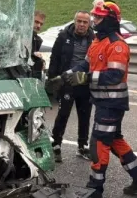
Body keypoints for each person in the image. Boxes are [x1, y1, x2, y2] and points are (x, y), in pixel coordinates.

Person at [63, 0, 137, 197]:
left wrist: (85, 78)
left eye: (99, 17)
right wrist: (68, 74)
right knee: (113, 140)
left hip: (112, 103)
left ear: (110, 20)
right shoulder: (97, 41)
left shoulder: (117, 45)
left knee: (98, 143)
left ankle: (95, 189)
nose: (95, 20)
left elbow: (114, 76)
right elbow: (86, 64)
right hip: (103, 101)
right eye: (95, 16)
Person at [47, 10, 95, 162]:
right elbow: (54, 57)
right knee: (63, 114)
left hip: (84, 82)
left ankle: (82, 146)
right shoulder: (63, 36)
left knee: (85, 115)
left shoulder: (94, 39)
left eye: (85, 22)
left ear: (89, 24)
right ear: (74, 22)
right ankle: (56, 145)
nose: (81, 24)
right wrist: (52, 78)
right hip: (67, 82)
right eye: (79, 21)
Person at [31, 10, 46, 79]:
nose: (38, 26)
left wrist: (42, 62)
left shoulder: (38, 40)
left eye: (41, 24)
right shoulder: (18, 36)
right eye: (36, 22)